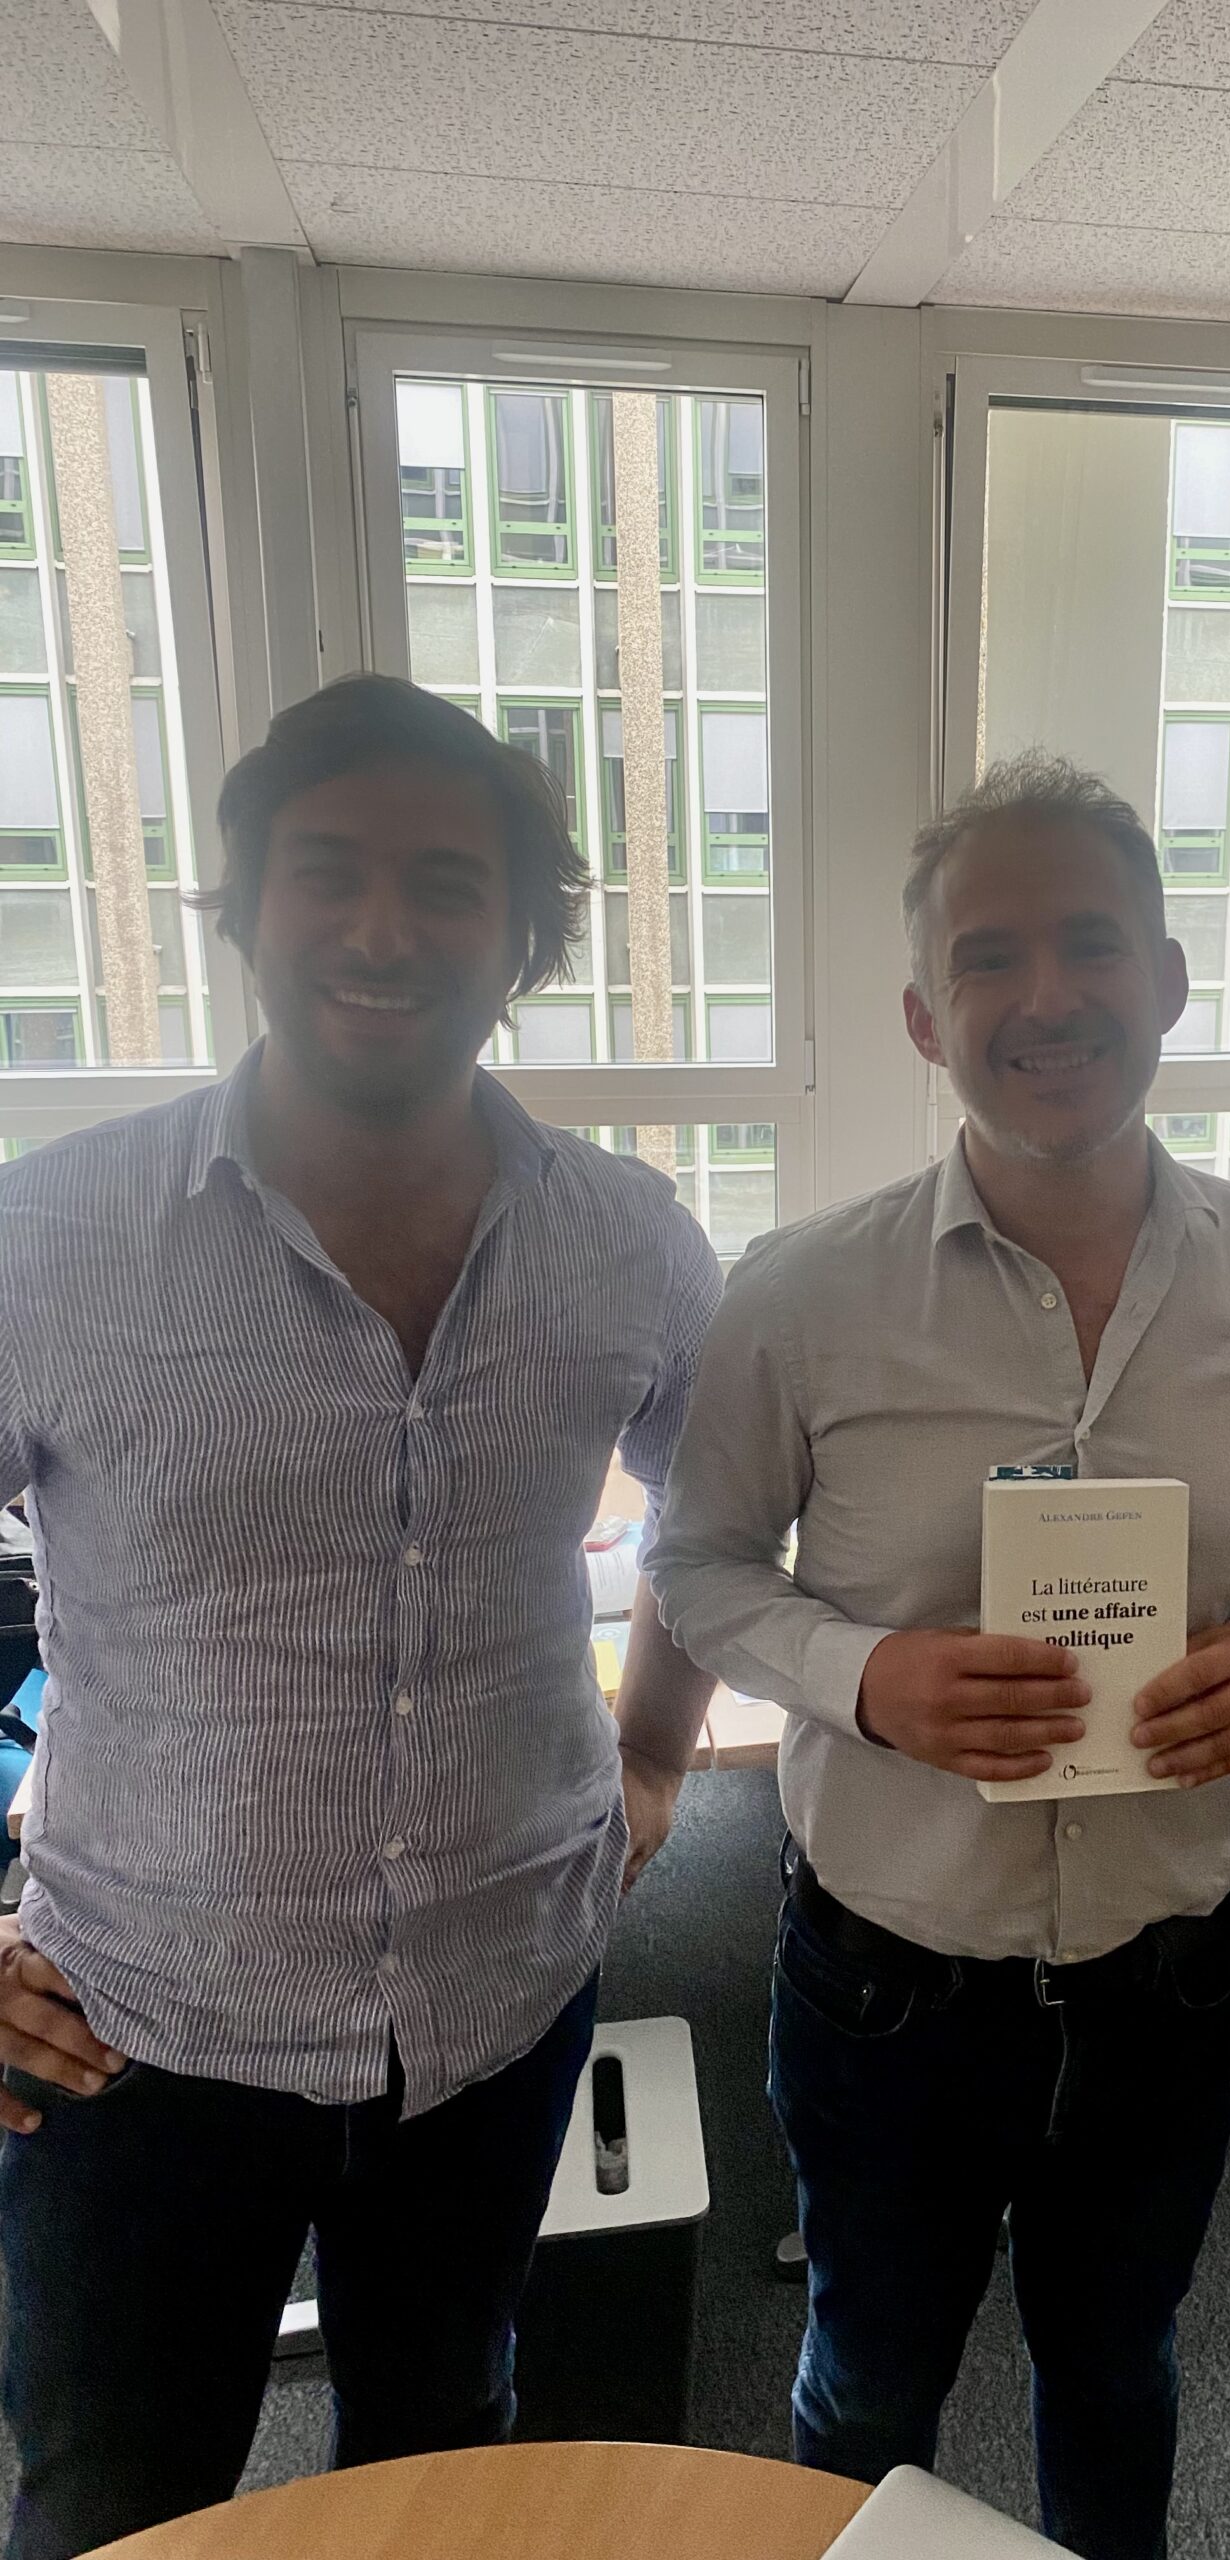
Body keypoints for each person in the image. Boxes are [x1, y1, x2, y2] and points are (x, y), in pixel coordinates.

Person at [0, 676, 721, 2560]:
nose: (384, 930)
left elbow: (720, 1512)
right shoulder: (48, 1240)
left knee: (446, 2465)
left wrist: (653, 1753)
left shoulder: (629, 1239)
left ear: (522, 935)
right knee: (113, 2500)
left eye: (446, 883)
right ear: (244, 906)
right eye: (328, 871)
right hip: (139, 2027)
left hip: (495, 2004)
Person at [649, 751, 1230, 2560]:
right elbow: (699, 1568)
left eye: (1092, 944)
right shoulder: (799, 1293)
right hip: (890, 1986)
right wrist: (864, 1678)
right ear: (924, 1014)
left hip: (1167, 1980)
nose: (1048, 995)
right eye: (989, 957)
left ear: (1169, 981)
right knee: (866, 2384)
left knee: (1117, 2373)